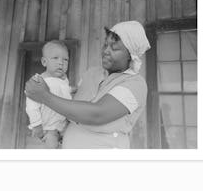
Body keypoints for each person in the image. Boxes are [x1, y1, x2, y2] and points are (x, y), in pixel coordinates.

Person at [25, 21, 150, 149]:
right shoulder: (92, 74)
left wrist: (44, 95)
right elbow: (72, 107)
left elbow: (97, 114)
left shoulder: (134, 83)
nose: (106, 51)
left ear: (131, 55)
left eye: (114, 48)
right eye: (105, 45)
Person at [25, 40, 72, 148]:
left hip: (64, 124)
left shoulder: (64, 80)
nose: (61, 62)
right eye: (55, 58)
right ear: (44, 62)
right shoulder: (39, 81)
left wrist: (72, 90)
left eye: (65, 60)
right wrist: (36, 125)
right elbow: (31, 105)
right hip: (49, 128)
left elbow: (64, 93)